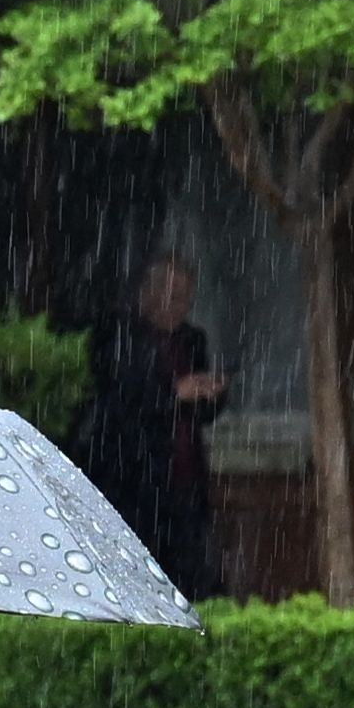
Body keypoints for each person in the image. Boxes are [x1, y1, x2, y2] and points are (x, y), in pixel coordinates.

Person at [75, 251, 229, 599]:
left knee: (197, 582)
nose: (176, 306)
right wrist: (173, 395)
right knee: (139, 580)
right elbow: (121, 401)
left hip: (185, 483)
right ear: (147, 291)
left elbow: (202, 412)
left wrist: (212, 393)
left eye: (184, 298)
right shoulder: (117, 332)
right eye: (169, 295)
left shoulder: (192, 339)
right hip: (135, 480)